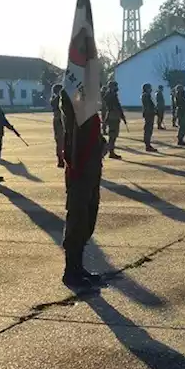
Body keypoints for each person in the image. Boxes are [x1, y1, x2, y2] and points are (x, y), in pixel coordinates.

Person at [59, 89, 104, 287]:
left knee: (88, 220)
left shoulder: (90, 114)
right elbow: (67, 103)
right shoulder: (76, 113)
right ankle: (71, 272)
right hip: (80, 173)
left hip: (92, 172)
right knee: (77, 221)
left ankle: (79, 267)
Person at [104, 80, 127, 159]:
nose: (116, 88)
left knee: (114, 135)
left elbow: (118, 107)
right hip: (112, 116)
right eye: (115, 86)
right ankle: (110, 151)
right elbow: (113, 105)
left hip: (115, 116)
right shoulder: (110, 95)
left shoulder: (113, 95)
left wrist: (122, 116)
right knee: (112, 135)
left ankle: (111, 151)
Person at [50, 84, 64, 168]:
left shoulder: (58, 98)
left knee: (64, 141)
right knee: (59, 141)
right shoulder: (54, 99)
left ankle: (63, 159)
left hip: (61, 120)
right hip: (58, 120)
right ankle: (60, 160)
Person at [140, 83, 157, 152]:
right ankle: (147, 145)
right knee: (148, 129)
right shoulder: (146, 96)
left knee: (149, 130)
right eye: (149, 88)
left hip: (149, 114)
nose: (151, 89)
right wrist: (152, 111)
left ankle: (148, 144)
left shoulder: (147, 95)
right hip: (148, 114)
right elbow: (148, 106)